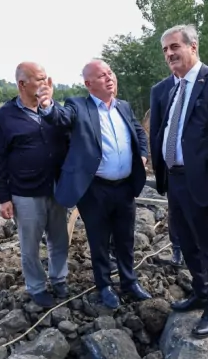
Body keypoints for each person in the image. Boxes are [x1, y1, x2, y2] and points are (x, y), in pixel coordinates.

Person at [150, 24, 208, 338]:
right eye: (165, 50)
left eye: (174, 46)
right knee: (186, 241)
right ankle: (201, 291)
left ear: (193, 46)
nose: (169, 54)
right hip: (175, 179)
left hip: (204, 181)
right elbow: (161, 132)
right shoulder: (165, 89)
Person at [37, 59, 152, 309]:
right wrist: (47, 105)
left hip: (124, 187)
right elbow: (60, 119)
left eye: (110, 72)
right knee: (99, 240)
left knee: (125, 238)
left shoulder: (123, 106)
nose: (109, 77)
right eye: (102, 76)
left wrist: (143, 155)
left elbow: (138, 133)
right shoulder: (78, 106)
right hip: (95, 189)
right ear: (89, 84)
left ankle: (129, 281)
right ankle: (104, 286)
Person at [0, 62, 71, 308]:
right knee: (30, 244)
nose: (45, 84)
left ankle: (59, 279)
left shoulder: (54, 110)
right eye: (39, 79)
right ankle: (36, 286)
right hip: (25, 194)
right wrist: (4, 197)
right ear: (22, 84)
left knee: (59, 239)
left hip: (57, 189)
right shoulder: (5, 116)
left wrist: (50, 107)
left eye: (47, 79)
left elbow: (70, 133)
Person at [148, 76, 185, 267]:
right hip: (172, 167)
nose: (171, 54)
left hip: (201, 167)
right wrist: (158, 169)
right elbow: (156, 130)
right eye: (167, 50)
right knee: (176, 210)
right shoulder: (160, 89)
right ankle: (177, 249)